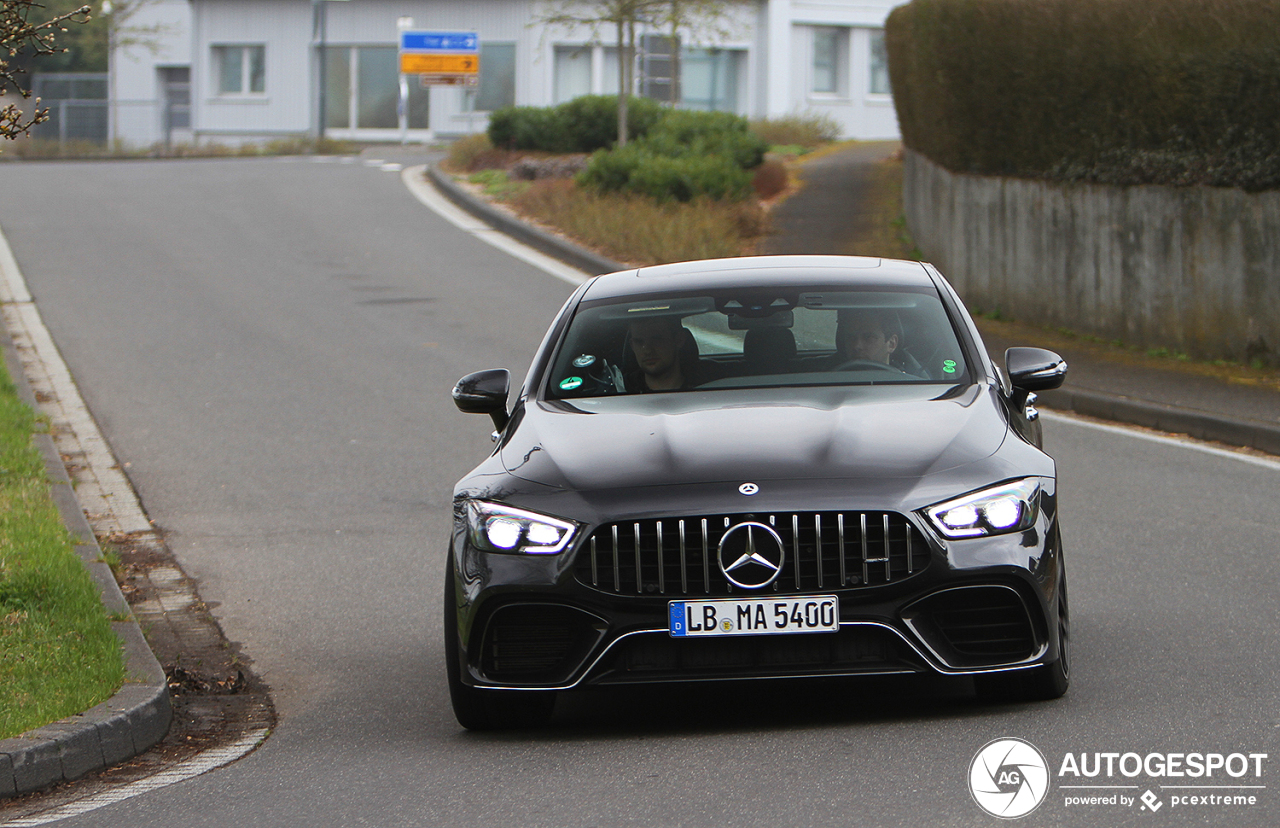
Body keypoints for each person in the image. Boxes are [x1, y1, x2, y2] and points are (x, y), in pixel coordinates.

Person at [626, 316, 691, 391]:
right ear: (632, 346)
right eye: (639, 342)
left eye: (656, 340)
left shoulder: (704, 389)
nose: (647, 350)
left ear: (679, 340)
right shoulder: (618, 390)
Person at [834, 308, 899, 365]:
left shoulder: (904, 378)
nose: (857, 346)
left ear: (891, 344)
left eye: (868, 338)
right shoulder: (830, 375)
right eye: (851, 338)